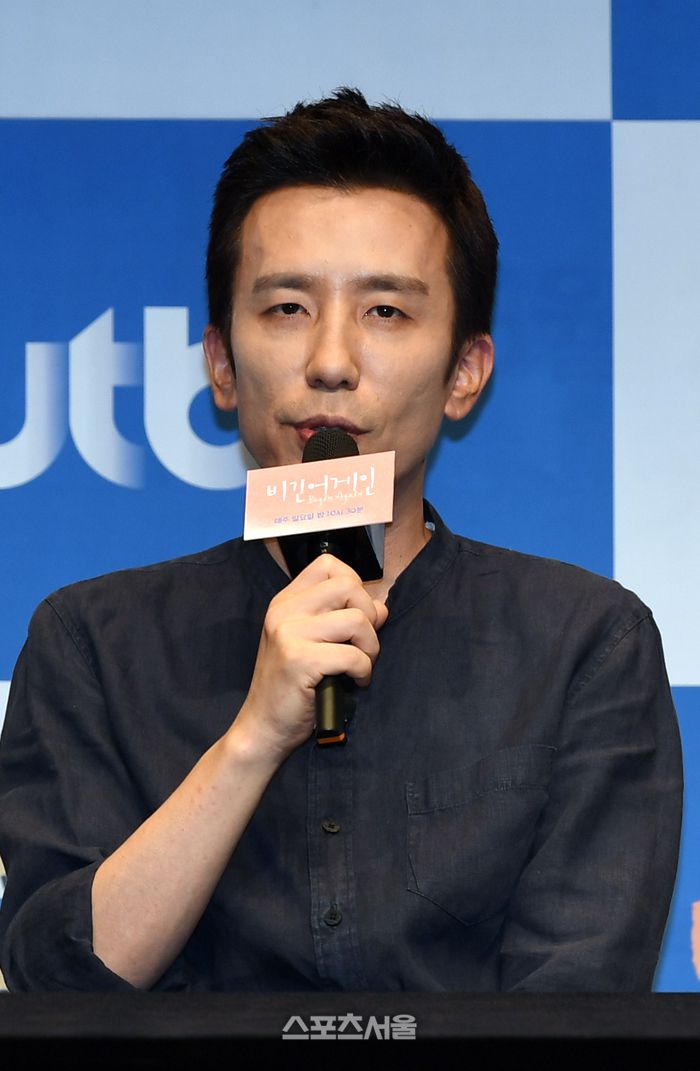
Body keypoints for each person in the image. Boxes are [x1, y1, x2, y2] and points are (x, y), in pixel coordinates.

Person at [0, 88, 682, 992]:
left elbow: (577, 1015)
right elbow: (55, 988)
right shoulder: (90, 641)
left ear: (465, 371)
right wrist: (252, 738)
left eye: (385, 311)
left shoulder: (584, 644)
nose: (330, 361)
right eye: (287, 308)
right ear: (220, 363)